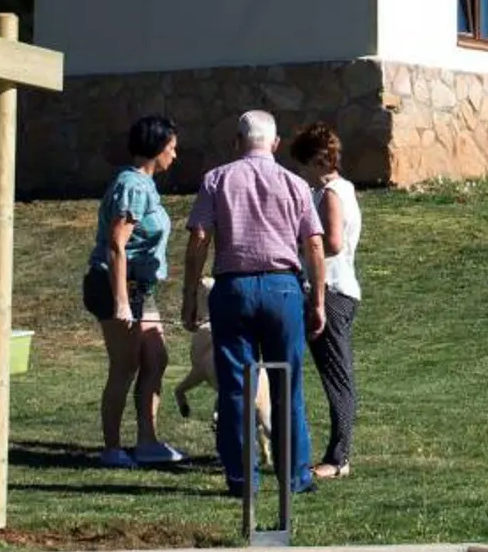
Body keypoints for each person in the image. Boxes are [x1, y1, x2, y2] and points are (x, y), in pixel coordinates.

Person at [182, 110, 326, 497]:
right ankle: (295, 476)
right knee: (287, 384)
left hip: (234, 287)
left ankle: (244, 479)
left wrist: (189, 294)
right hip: (283, 287)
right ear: (275, 144)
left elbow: (199, 239)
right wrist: (319, 300)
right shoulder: (295, 183)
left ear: (237, 141)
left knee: (235, 386)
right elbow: (314, 243)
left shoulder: (217, 179)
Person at [83, 114, 184, 468]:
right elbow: (115, 246)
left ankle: (147, 441)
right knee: (124, 366)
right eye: (171, 147)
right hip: (115, 285)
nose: (175, 154)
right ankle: (112, 448)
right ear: (157, 149)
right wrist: (122, 302)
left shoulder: (144, 184)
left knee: (156, 358)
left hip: (140, 285)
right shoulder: (135, 187)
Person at [290, 122, 362, 481]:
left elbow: (331, 243)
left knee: (337, 377)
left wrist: (297, 247)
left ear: (318, 161)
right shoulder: (340, 189)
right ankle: (336, 452)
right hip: (336, 288)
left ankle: (339, 458)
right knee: (336, 374)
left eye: (303, 165)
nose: (299, 173)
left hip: (331, 291)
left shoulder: (331, 192)